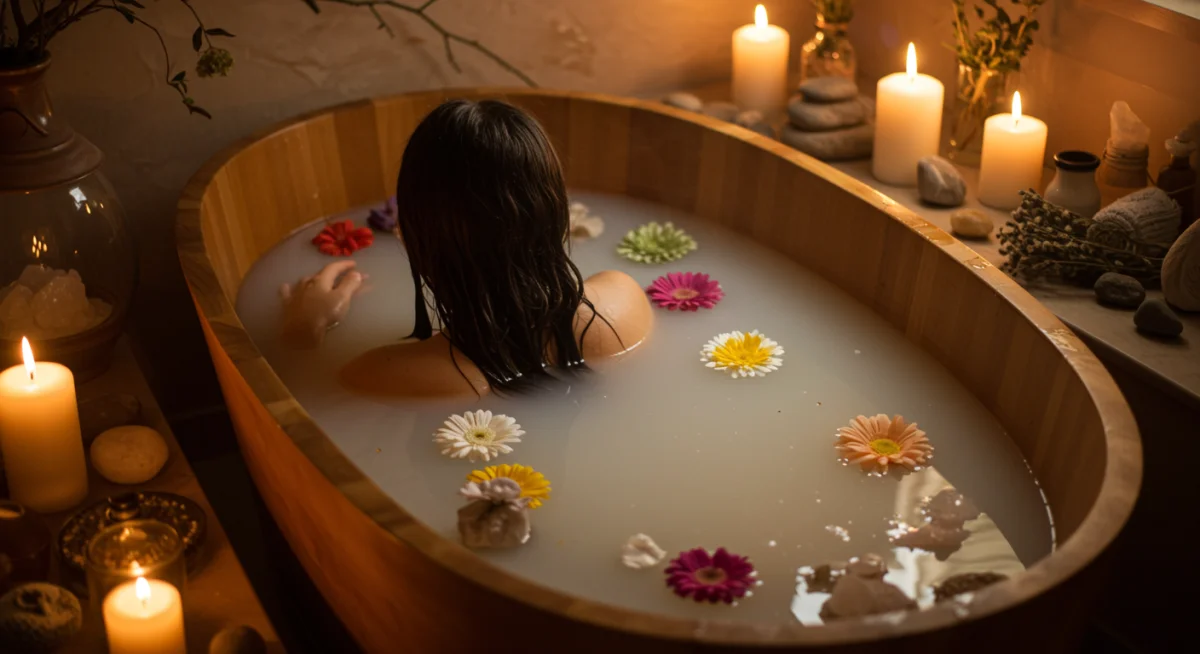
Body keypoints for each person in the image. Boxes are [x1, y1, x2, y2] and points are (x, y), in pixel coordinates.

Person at [281, 99, 651, 398]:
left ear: (409, 235)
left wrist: (303, 331)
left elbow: (298, 406)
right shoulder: (625, 299)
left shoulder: (386, 373)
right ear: (559, 216)